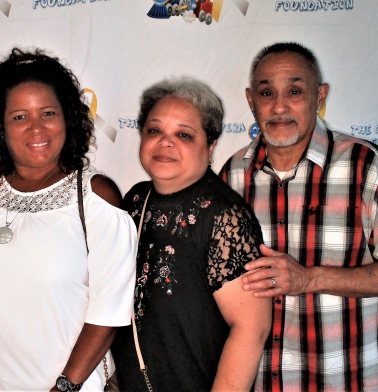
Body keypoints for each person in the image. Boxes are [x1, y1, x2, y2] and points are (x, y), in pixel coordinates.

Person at [0, 48, 137, 391]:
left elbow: (108, 312)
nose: (36, 128)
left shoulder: (96, 197)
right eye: (19, 116)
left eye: (48, 113)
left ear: (67, 118)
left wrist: (65, 387)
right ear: (0, 126)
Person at [220, 42, 378, 391]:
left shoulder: (368, 168)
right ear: (250, 100)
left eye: (295, 91)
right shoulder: (232, 176)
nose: (279, 106)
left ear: (320, 96)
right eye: (266, 92)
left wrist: (310, 279)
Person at [112, 77, 271, 391]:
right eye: (154, 131)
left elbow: (252, 329)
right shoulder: (135, 200)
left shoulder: (226, 216)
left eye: (183, 134)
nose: (165, 142)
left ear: (210, 147)